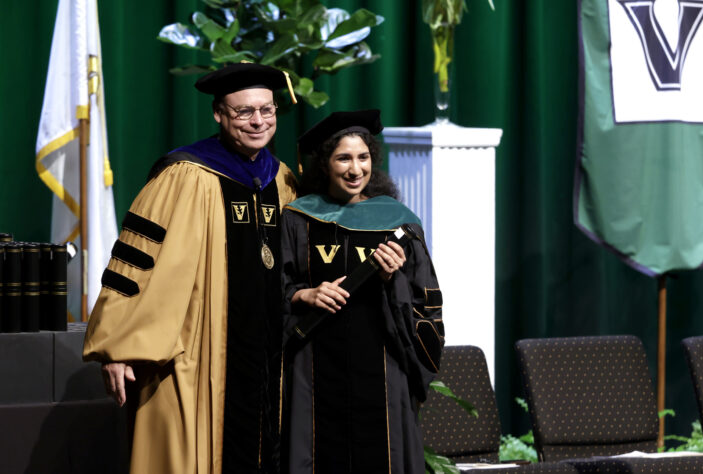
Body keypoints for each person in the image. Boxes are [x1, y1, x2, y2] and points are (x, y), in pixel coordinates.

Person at [83, 62, 299, 474]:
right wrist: (118, 346)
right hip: (199, 357)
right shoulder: (184, 175)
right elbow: (136, 262)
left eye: (267, 110)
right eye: (244, 112)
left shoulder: (282, 180)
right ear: (219, 114)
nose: (258, 121)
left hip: (272, 361)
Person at [281, 109, 444, 474]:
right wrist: (303, 296)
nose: (355, 170)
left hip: (383, 366)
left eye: (363, 157)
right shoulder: (297, 219)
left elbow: (425, 303)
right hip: (314, 367)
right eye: (344, 158)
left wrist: (392, 280)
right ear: (324, 164)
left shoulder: (397, 222)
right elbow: (274, 289)